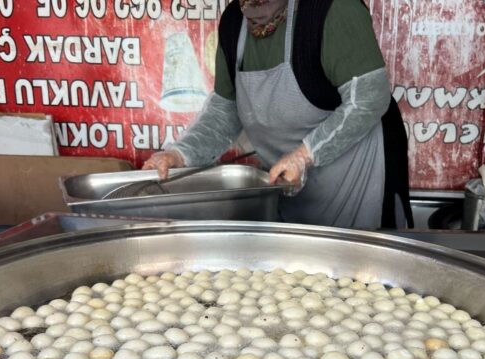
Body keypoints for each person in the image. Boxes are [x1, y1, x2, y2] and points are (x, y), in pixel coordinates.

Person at [143, 0, 414, 229]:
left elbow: (369, 98)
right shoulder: (234, 22)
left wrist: (303, 156)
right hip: (291, 184)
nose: (253, 9)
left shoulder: (332, 9)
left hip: (359, 178)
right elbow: (225, 110)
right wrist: (180, 154)